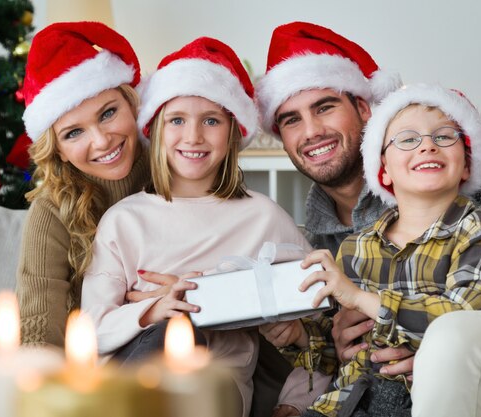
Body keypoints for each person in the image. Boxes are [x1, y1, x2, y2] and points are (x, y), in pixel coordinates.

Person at [255, 21, 481, 417]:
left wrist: (445, 343)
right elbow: (333, 354)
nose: (311, 131)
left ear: (363, 107)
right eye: (291, 119)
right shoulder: (333, 244)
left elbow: (455, 326)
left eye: (325, 107)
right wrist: (323, 341)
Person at [80, 37, 313, 417]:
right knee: (169, 333)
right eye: (177, 120)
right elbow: (92, 328)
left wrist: (294, 345)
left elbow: (320, 326)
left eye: (211, 120)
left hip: (215, 390)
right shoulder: (124, 220)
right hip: (132, 379)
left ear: (233, 132)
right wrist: (155, 310)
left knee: (188, 338)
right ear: (155, 130)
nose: (193, 137)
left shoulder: (264, 218)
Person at [294, 83, 481, 417]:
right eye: (407, 139)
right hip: (342, 404)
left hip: (424, 400)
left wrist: (363, 299)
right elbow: (334, 352)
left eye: (444, 137)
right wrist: (292, 336)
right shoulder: (355, 248)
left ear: (467, 165)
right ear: (383, 169)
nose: (427, 146)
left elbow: (468, 323)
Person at [15, 21, 151, 347]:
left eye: (108, 113)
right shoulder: (51, 210)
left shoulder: (176, 171)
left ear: (132, 105)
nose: (102, 141)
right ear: (57, 150)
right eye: (74, 133)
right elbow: (38, 324)